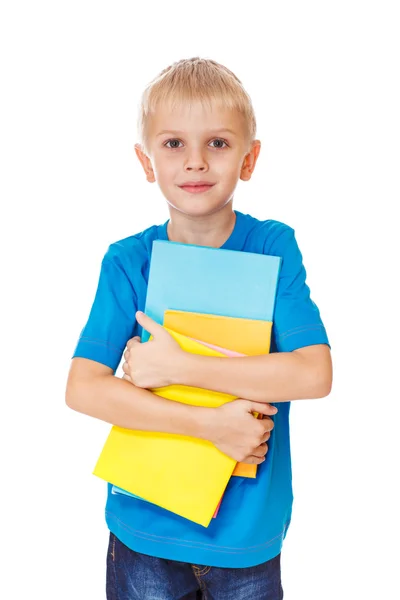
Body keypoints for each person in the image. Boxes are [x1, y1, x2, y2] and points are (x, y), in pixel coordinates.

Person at [66, 56, 333, 600]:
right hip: (144, 528)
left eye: (217, 143)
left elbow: (314, 374)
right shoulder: (128, 261)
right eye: (172, 145)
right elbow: (82, 387)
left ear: (249, 158)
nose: (195, 163)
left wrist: (179, 367)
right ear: (146, 162)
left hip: (246, 538)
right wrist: (210, 426)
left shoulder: (272, 247)